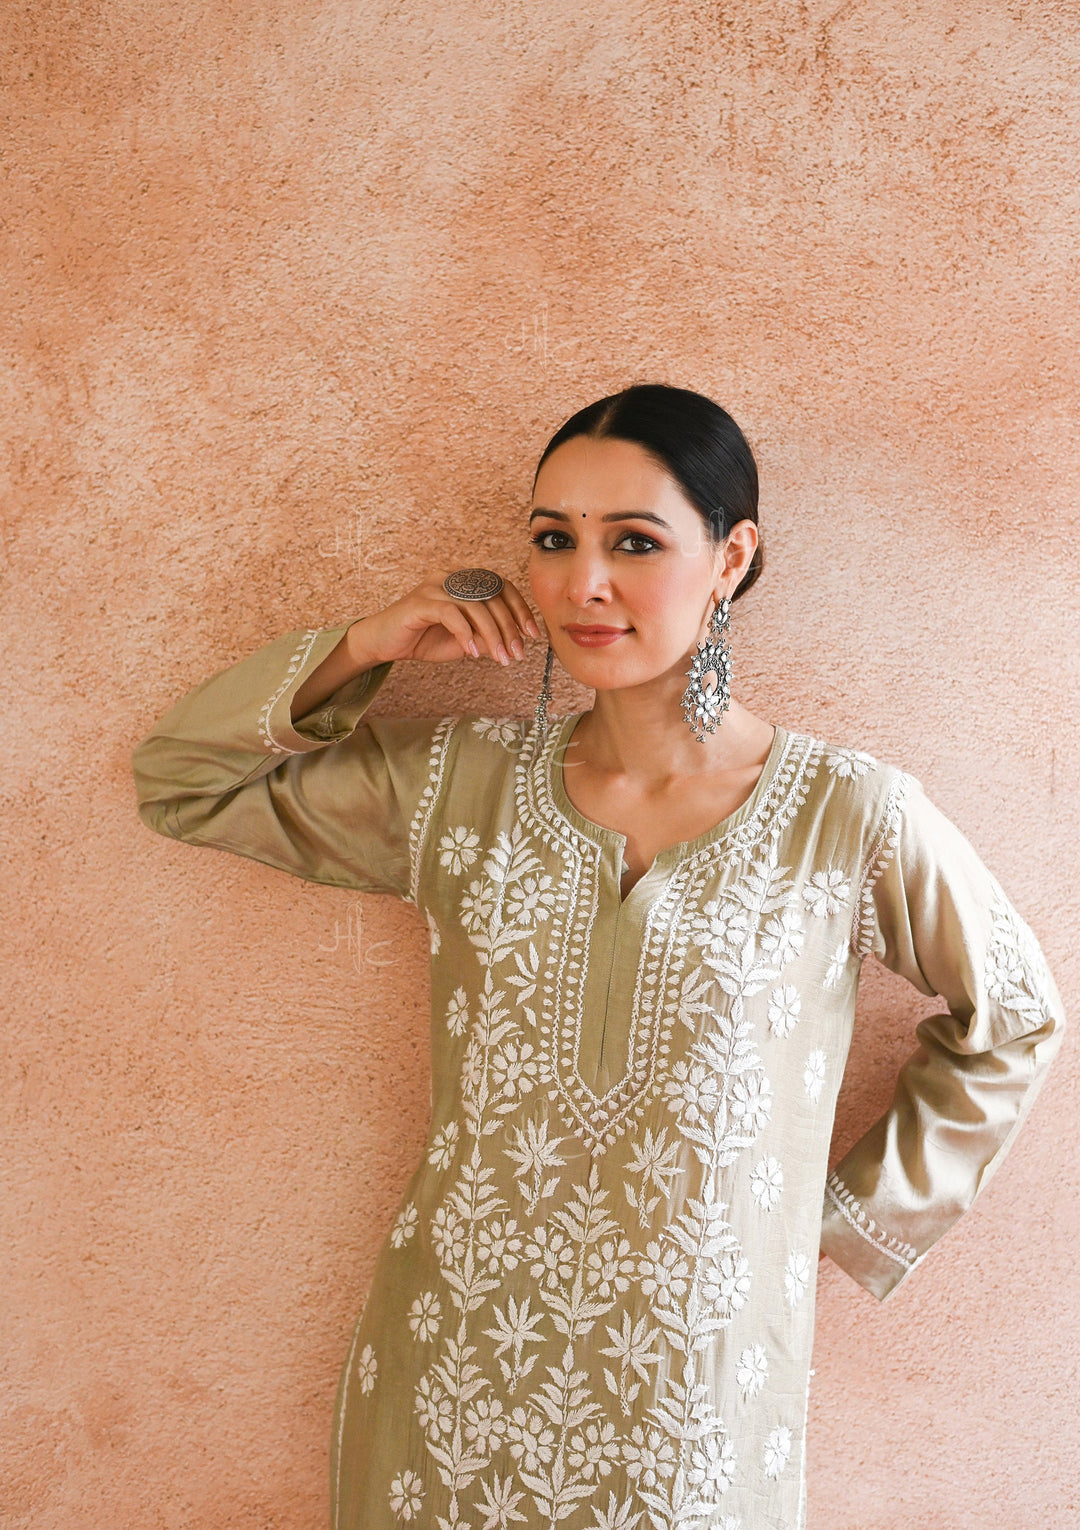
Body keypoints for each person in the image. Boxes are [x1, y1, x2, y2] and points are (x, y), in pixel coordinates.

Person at [131, 383, 1065, 1530]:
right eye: (552, 540)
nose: (583, 583)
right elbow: (183, 779)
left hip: (691, 1391)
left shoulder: (849, 815)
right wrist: (369, 645)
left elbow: (1015, 1016)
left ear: (731, 558)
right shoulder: (459, 785)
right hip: (455, 1364)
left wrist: (833, 1222)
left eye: (634, 542)